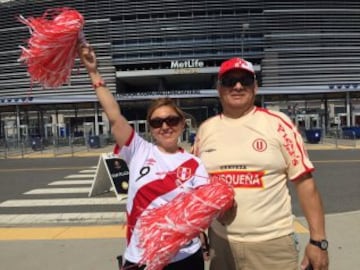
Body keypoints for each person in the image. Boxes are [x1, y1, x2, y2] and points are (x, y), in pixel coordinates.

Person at [78, 43, 210, 270]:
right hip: (141, 256)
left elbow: (203, 210)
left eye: (172, 120)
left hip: (185, 257)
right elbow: (114, 115)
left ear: (182, 125)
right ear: (150, 128)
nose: (165, 126)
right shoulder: (139, 149)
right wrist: (93, 72)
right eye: (157, 122)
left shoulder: (195, 164)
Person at [192, 57, 329, 270]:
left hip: (272, 246)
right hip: (221, 243)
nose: (237, 86)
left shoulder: (278, 123)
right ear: (219, 88)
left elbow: (305, 184)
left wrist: (318, 241)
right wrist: (199, 229)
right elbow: (197, 188)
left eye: (245, 80)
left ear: (255, 87)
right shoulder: (205, 130)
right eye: (229, 81)